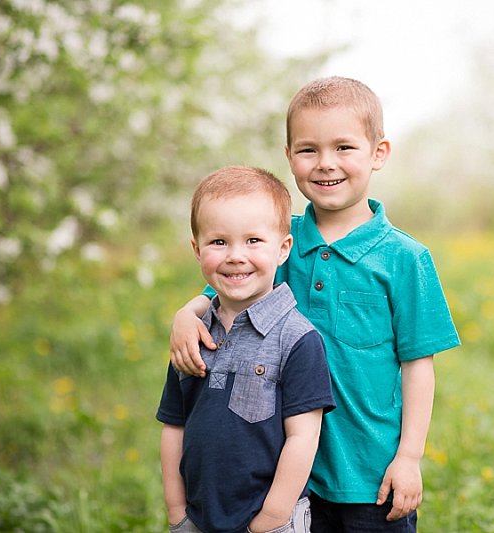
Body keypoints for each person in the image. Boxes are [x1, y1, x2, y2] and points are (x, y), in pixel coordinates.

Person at [170, 77, 460, 532]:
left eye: (344, 147)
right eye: (308, 150)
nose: (326, 164)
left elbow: (418, 365)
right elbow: (220, 293)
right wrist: (184, 315)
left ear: (378, 153)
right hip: (281, 471)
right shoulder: (278, 241)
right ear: (289, 157)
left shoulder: (405, 259)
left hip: (369, 473)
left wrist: (408, 457)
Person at [157, 166, 335, 533]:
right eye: (219, 242)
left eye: (253, 241)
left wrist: (272, 518)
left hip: (271, 520)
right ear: (197, 249)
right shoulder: (192, 335)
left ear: (283, 249)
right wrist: (177, 511)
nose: (236, 255)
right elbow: (174, 425)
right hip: (199, 516)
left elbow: (304, 437)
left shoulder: (297, 338)